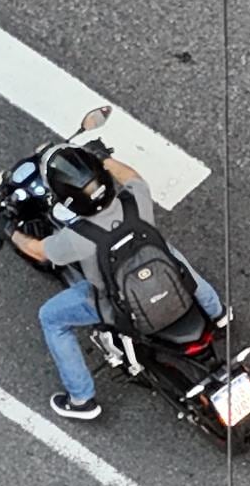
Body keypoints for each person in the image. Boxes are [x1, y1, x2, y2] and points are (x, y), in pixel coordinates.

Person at [13, 146, 150, 423]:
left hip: (118, 301)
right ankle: (217, 313)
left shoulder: (78, 237)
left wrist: (10, 231)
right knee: (168, 252)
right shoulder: (136, 200)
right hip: (160, 279)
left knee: (51, 318)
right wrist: (105, 159)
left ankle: (81, 400)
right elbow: (132, 175)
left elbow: (38, 250)